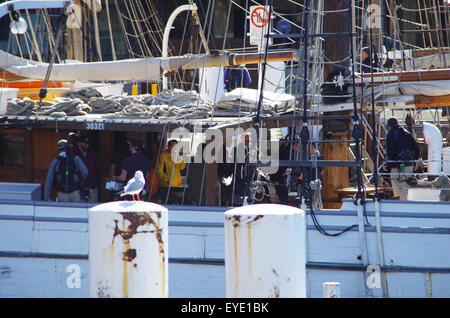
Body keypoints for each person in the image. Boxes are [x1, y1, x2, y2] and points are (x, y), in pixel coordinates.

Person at [383, 117, 421, 200]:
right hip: (408, 166)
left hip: (398, 167)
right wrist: (415, 161)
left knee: (401, 192)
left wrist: (388, 165)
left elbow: (390, 153)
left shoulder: (390, 134)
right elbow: (417, 149)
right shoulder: (407, 133)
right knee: (406, 190)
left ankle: (404, 208)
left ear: (389, 126)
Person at [73, 135, 103, 202]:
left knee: (92, 208)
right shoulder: (74, 154)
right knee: (79, 209)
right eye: (85, 144)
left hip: (91, 187)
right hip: (77, 188)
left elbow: (99, 168)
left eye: (88, 144)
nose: (87, 146)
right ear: (79, 143)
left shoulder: (93, 154)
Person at [155, 139, 186, 204]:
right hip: (166, 185)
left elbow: (182, 167)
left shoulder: (177, 156)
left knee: (176, 203)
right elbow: (159, 171)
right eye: (173, 146)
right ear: (168, 147)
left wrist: (181, 156)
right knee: (167, 203)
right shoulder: (163, 156)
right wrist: (166, 179)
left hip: (177, 185)